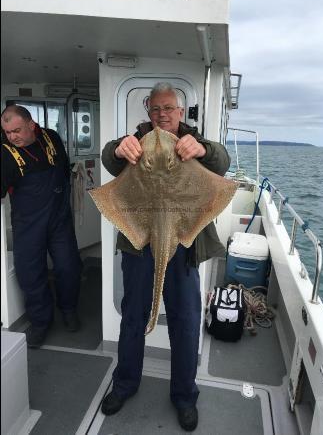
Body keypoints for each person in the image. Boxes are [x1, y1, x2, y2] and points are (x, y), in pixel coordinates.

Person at [100, 82, 231, 431]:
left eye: (169, 108)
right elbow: (109, 159)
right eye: (156, 109)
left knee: (186, 323)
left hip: (184, 245)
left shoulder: (194, 142)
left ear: (180, 111)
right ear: (148, 112)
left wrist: (202, 148)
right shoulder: (136, 141)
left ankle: (185, 396)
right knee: (133, 316)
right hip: (141, 243)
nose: (162, 115)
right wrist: (117, 149)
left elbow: (222, 162)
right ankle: (125, 383)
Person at [1, 105, 82, 348]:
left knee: (69, 267)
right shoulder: (5, 154)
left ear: (31, 125)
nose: (12, 137)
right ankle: (40, 322)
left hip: (58, 219)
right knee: (30, 274)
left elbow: (64, 170)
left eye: (17, 130)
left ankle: (68, 310)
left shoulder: (52, 137)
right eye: (7, 132)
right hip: (28, 224)